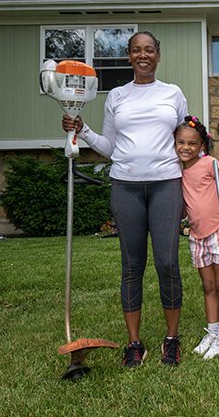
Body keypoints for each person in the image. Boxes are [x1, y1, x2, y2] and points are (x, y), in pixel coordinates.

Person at [62, 31, 188, 367]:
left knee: (168, 263)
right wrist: (83, 130)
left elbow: (185, 142)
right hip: (126, 186)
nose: (143, 55)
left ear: (158, 56)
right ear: (129, 56)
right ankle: (134, 343)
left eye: (149, 50)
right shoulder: (117, 96)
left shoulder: (173, 94)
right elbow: (110, 148)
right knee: (132, 267)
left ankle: (172, 339)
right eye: (136, 50)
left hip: (166, 185)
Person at [174, 115, 219, 360]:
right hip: (197, 236)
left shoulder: (211, 164)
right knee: (208, 286)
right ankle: (211, 331)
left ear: (201, 146)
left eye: (192, 143)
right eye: (181, 142)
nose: (186, 148)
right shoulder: (177, 170)